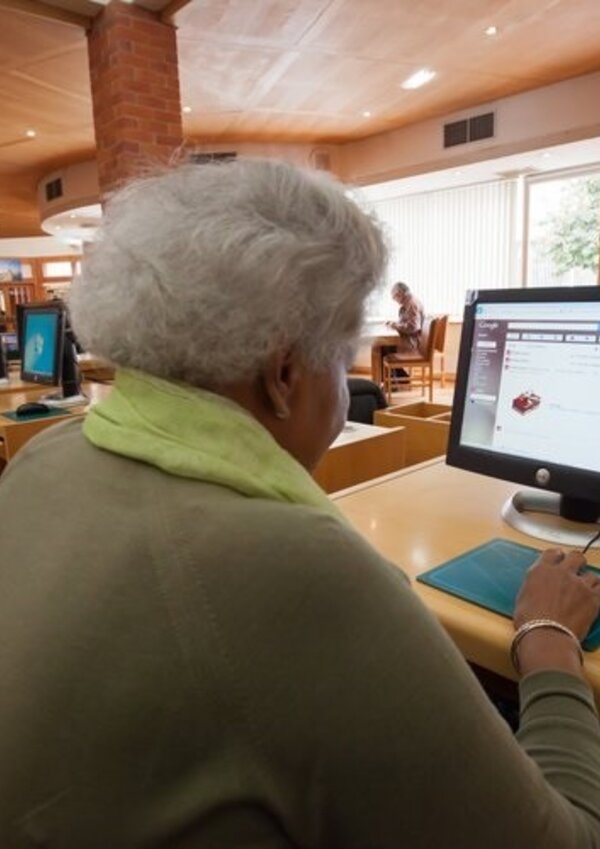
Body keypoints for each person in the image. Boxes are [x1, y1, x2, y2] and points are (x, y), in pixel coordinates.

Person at [1, 159, 600, 848]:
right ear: (284, 375)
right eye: (343, 360)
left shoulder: (45, 455)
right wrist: (548, 639)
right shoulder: (289, 566)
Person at [385, 280, 425, 353]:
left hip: (411, 343)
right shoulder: (409, 302)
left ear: (400, 293)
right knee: (383, 347)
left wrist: (395, 325)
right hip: (410, 339)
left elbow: (412, 327)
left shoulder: (412, 304)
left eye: (394, 297)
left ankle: (390, 360)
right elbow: (407, 322)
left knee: (382, 347)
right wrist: (395, 324)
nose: (394, 300)